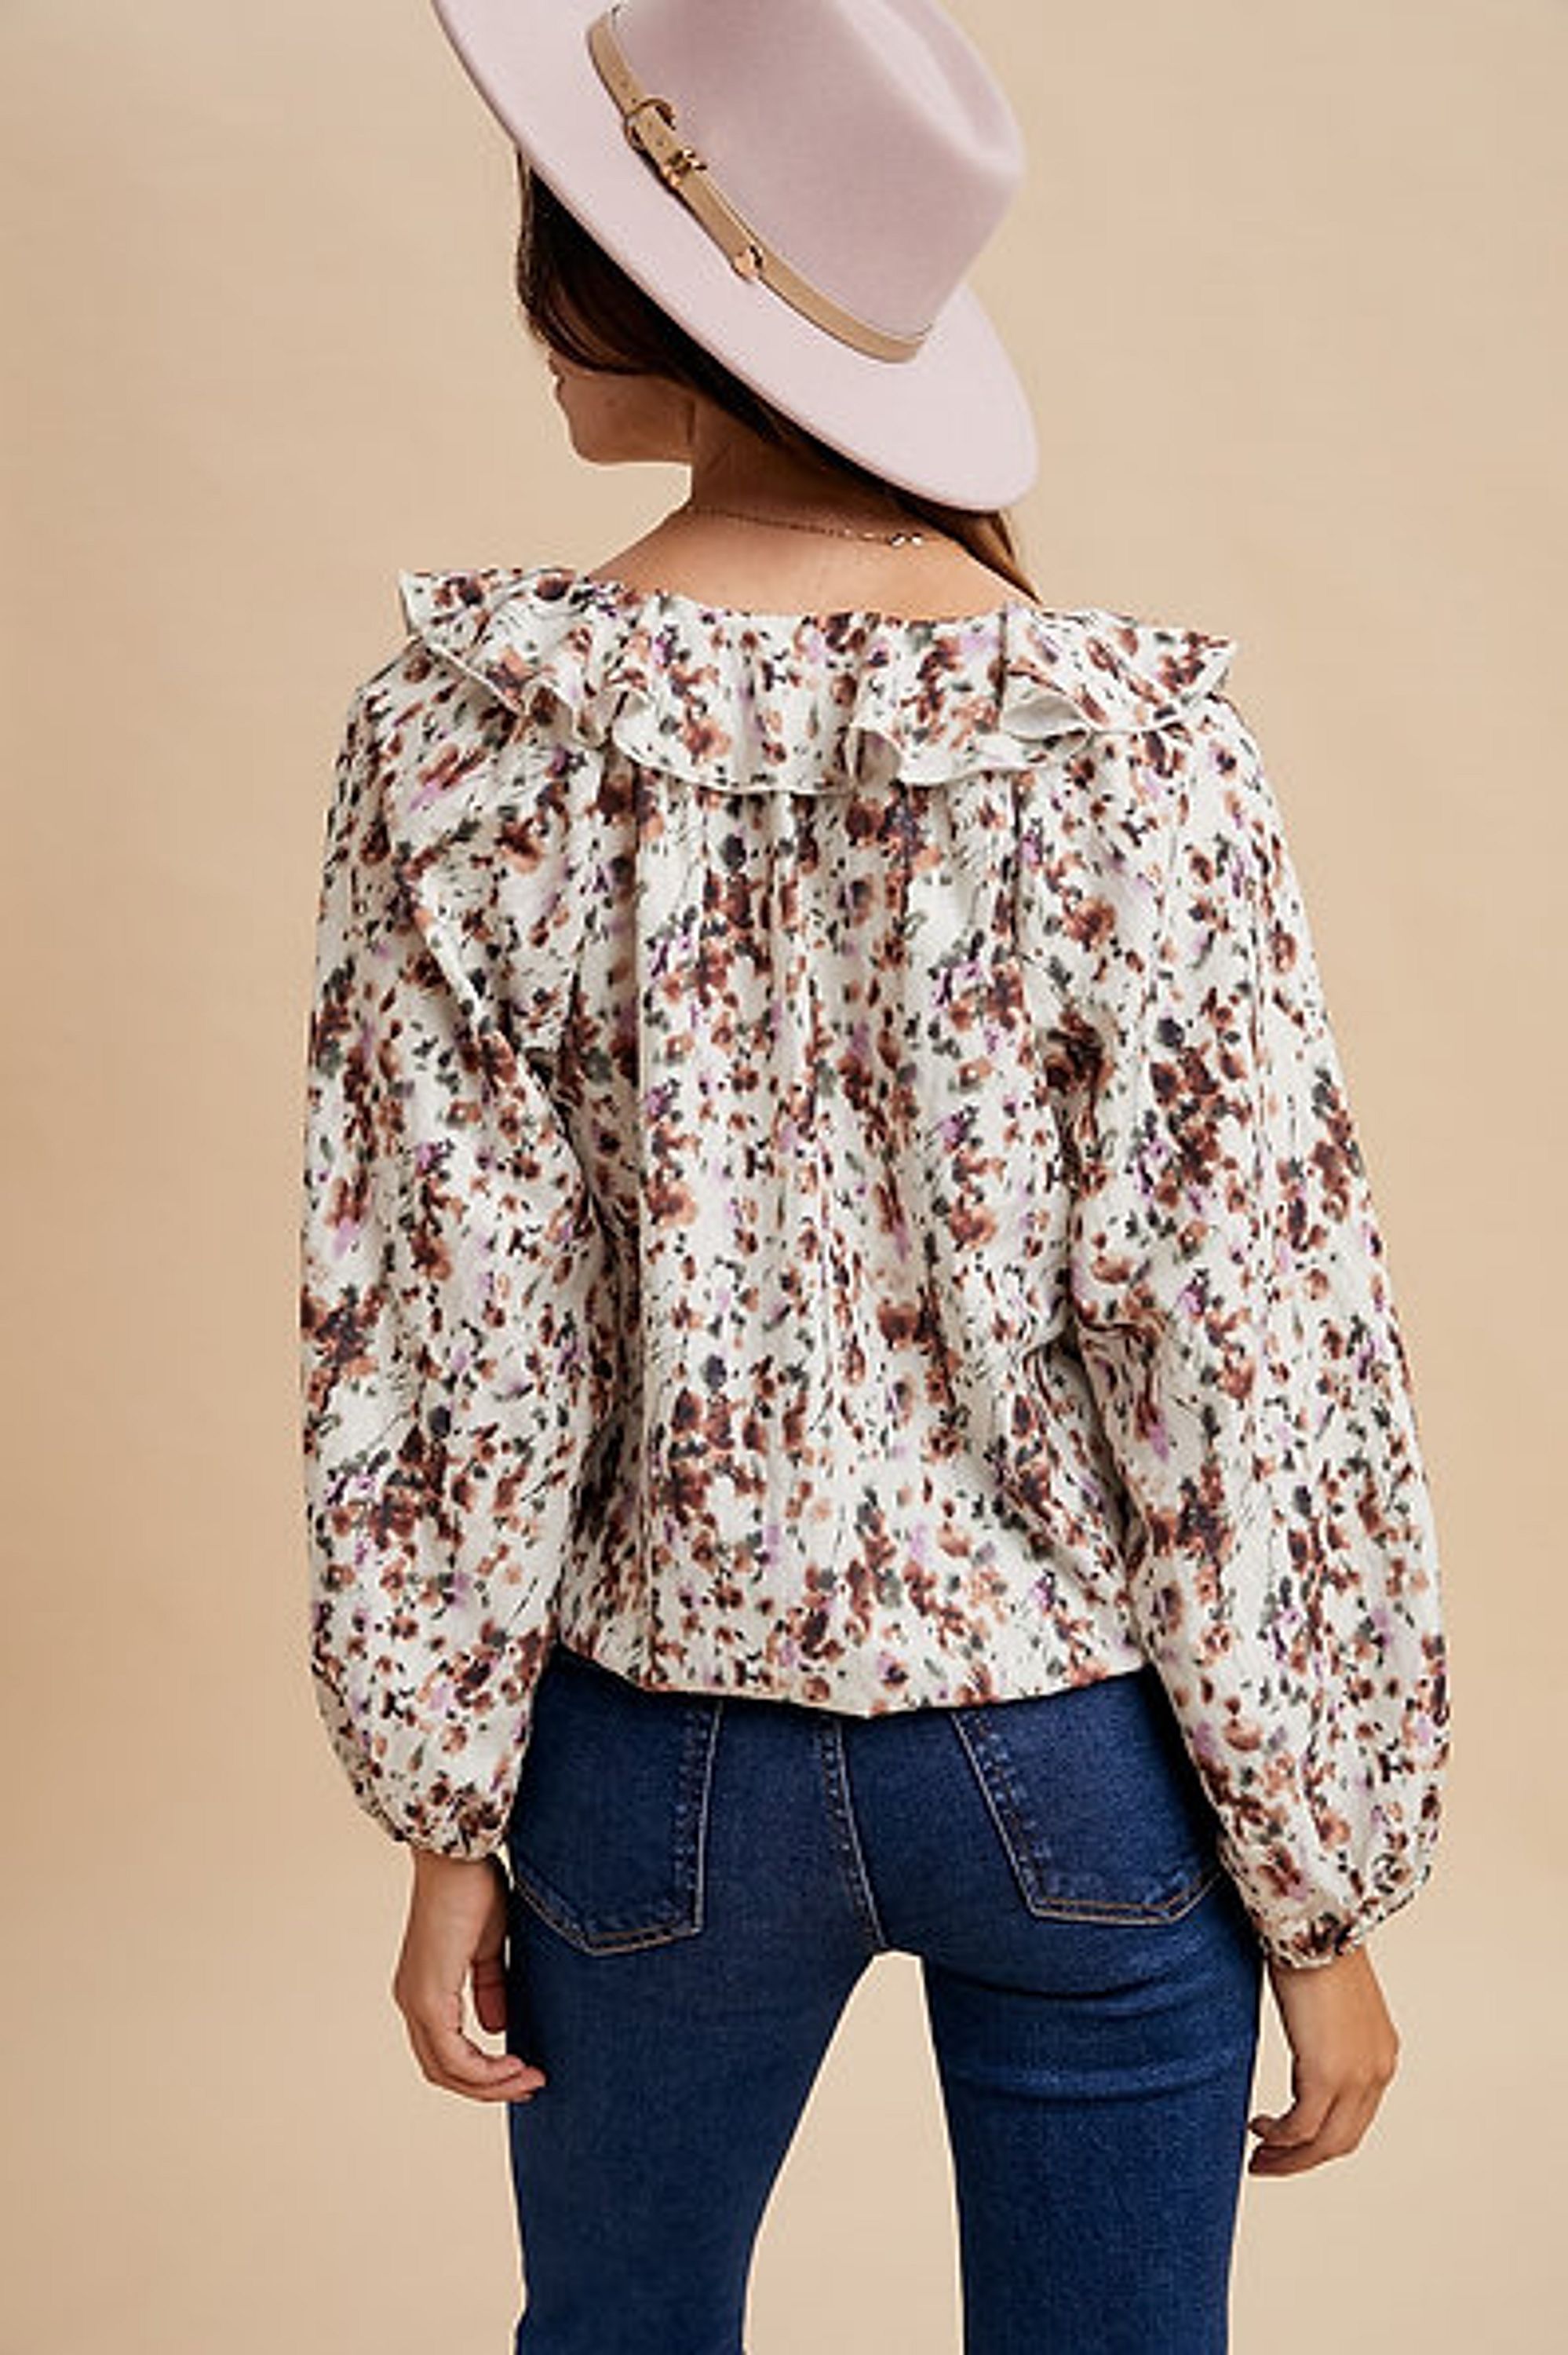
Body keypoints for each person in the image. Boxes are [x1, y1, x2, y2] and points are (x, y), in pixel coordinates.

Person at [297, 2, 1452, 2347]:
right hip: (1085, 1761)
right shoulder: (1143, 761)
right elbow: (1239, 1346)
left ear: (623, 280)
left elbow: (457, 1339)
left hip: (654, 1765)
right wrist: (1319, 1884)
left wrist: (445, 1808)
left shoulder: (459, 745)